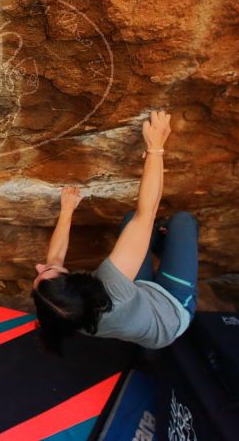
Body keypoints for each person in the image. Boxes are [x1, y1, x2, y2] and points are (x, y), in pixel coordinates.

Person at [31, 110, 199, 352]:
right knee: (181, 222)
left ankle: (162, 245)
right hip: (171, 313)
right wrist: (155, 148)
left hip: (137, 297)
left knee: (134, 222)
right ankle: (166, 245)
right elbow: (146, 212)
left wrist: (67, 210)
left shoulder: (70, 315)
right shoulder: (111, 286)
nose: (38, 266)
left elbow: (54, 259)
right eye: (44, 272)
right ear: (73, 283)